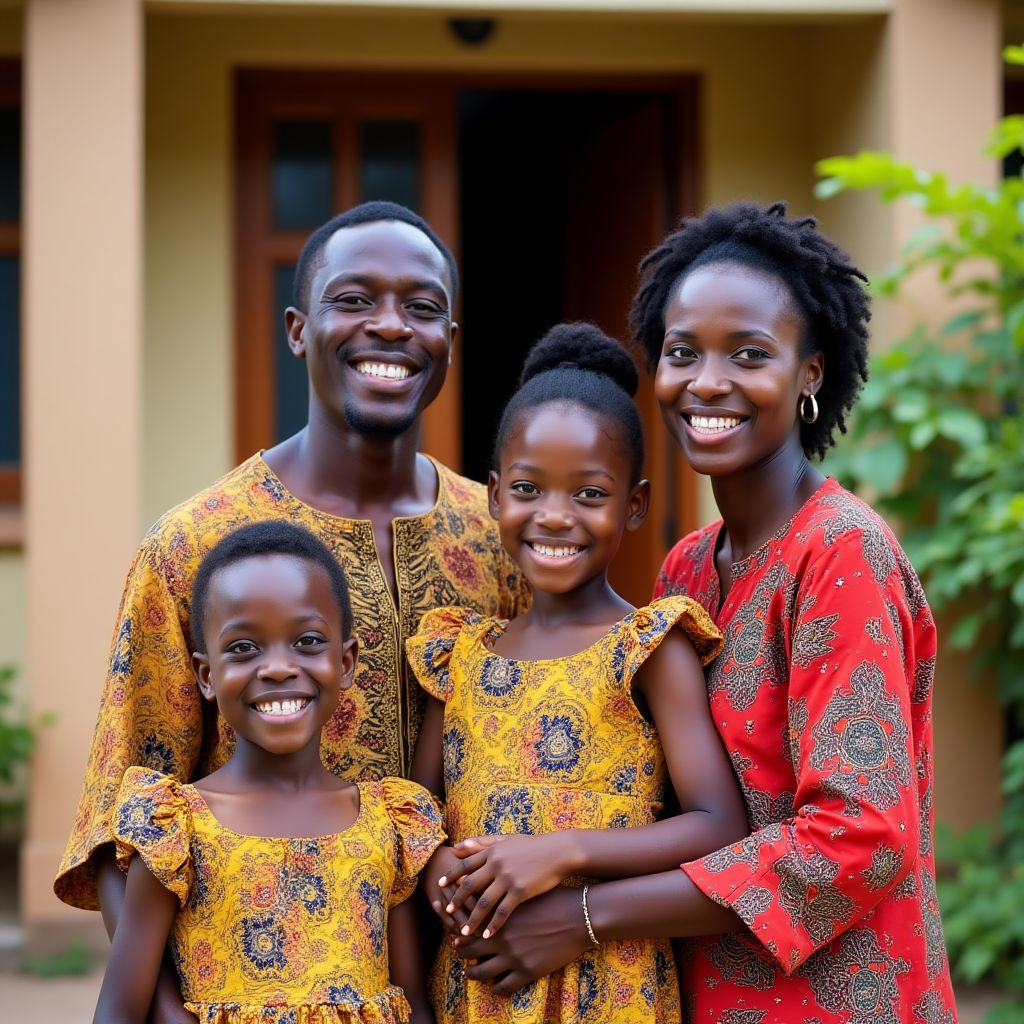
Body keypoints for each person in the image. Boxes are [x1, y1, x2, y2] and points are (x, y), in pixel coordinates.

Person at [449, 202, 959, 1024]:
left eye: (749, 355)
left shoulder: (841, 554)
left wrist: (584, 917)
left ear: (811, 373)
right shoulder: (691, 564)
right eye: (683, 354)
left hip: (839, 1004)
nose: (708, 382)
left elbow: (857, 838)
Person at [56, 202, 527, 1019]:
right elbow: (118, 829)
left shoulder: (502, 537)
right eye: (354, 300)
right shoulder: (194, 545)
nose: (389, 326)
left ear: (450, 337)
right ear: (298, 329)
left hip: (483, 993)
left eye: (421, 307)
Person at [407, 323, 748, 1023]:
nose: (555, 517)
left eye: (588, 495)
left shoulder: (651, 646)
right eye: (530, 488)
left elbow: (719, 827)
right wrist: (435, 866)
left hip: (612, 989)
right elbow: (415, 815)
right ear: (496, 496)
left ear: (634, 504)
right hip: (476, 991)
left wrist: (560, 854)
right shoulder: (458, 654)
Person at [93, 521, 445, 1024]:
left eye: (306, 641)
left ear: (345, 663)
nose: (278, 667)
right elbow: (118, 1013)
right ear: (207, 677)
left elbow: (412, 1006)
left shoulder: (390, 823)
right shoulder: (175, 826)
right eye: (243, 648)